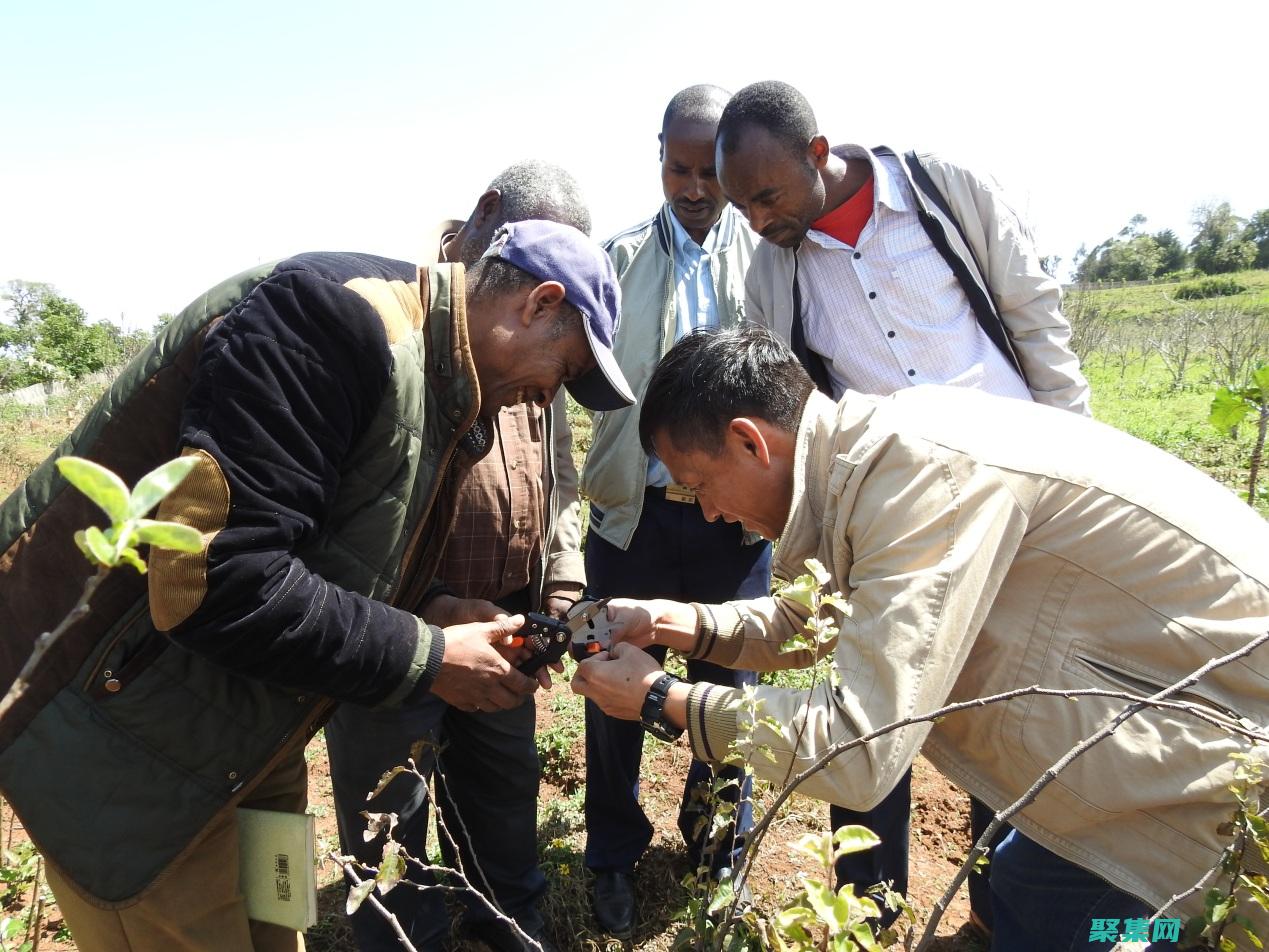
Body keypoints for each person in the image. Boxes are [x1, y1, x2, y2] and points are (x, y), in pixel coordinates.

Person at [0, 220, 634, 952]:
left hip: (242, 728)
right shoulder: (325, 319)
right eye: (563, 369)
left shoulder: (434, 377)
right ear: (536, 303)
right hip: (126, 740)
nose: (543, 401)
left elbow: (303, 546)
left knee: (279, 928)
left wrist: (430, 607)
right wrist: (428, 654)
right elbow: (215, 581)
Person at [573, 325, 1269, 952]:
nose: (714, 513)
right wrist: (667, 620)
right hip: (1134, 739)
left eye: (699, 485)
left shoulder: (917, 476)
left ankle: (1180, 936)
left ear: (751, 441)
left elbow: (859, 748)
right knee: (1030, 887)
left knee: (1071, 919)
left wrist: (661, 696)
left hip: (1220, 742)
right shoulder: (866, 458)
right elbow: (810, 623)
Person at [714, 79, 1093, 924]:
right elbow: (791, 404)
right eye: (742, 204)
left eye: (767, 196)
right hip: (892, 519)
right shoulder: (772, 268)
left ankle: (1004, 905)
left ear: (819, 154)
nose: (757, 220)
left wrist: (1078, 452)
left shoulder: (944, 191)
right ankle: (867, 914)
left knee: (1012, 705)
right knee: (869, 709)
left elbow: (1034, 318)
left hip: (1018, 494)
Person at [324, 161, 590, 952]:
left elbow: (560, 474)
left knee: (503, 797)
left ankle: (510, 926)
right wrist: (429, 605)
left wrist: (563, 587)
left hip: (506, 618)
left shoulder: (547, 327)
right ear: (487, 217)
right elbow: (348, 510)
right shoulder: (395, 319)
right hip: (396, 621)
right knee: (388, 815)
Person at [577, 85, 768, 939]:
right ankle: (612, 853)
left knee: (731, 678)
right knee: (611, 682)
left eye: (708, 173)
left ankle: (712, 844)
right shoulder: (614, 261)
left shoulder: (765, 262)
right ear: (659, 156)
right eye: (677, 168)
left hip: (731, 518)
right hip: (632, 516)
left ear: (731, 170)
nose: (693, 189)